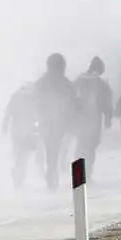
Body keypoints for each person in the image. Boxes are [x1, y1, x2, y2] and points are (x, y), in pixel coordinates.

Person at [34, 53, 78, 190]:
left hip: (57, 122)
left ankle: (52, 170)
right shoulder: (60, 83)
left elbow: (72, 101)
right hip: (49, 122)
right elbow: (36, 103)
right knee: (52, 148)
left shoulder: (53, 82)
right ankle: (52, 171)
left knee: (54, 148)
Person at [73, 56, 114, 180]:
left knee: (81, 146)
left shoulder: (79, 79)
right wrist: (108, 118)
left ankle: (78, 175)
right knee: (91, 147)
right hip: (94, 119)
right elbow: (108, 102)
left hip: (80, 119)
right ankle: (88, 172)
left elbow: (71, 96)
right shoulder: (101, 83)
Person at [2, 82, 41, 187]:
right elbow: (8, 113)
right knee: (21, 154)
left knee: (23, 155)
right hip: (19, 131)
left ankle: (18, 175)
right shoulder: (22, 98)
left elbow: (36, 115)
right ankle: (18, 175)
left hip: (23, 131)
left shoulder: (26, 98)